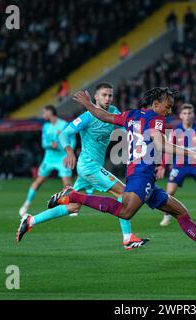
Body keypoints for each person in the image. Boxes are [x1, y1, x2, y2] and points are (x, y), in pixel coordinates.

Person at [18, 87, 196, 254]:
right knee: (126, 210)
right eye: (168, 106)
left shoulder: (131, 115)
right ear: (156, 104)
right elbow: (160, 144)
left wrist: (89, 105)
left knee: (182, 213)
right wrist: (195, 154)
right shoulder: (156, 119)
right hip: (141, 175)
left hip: (142, 176)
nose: (169, 110)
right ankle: (73, 195)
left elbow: (103, 115)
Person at [16, 83, 147, 250]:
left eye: (110, 95)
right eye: (104, 95)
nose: (107, 99)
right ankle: (127, 238)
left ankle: (31, 220)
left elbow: (127, 125)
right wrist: (69, 151)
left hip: (91, 167)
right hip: (88, 166)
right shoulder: (87, 117)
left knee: (73, 207)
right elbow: (64, 134)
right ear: (96, 97)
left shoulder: (113, 112)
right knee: (124, 193)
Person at [19, 105, 75, 216]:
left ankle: (71, 206)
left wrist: (69, 153)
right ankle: (26, 205)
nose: (43, 114)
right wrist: (51, 144)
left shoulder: (63, 124)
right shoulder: (45, 127)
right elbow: (44, 143)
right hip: (49, 159)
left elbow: (72, 140)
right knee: (38, 181)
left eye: (44, 112)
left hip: (62, 158)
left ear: (50, 112)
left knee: (67, 182)